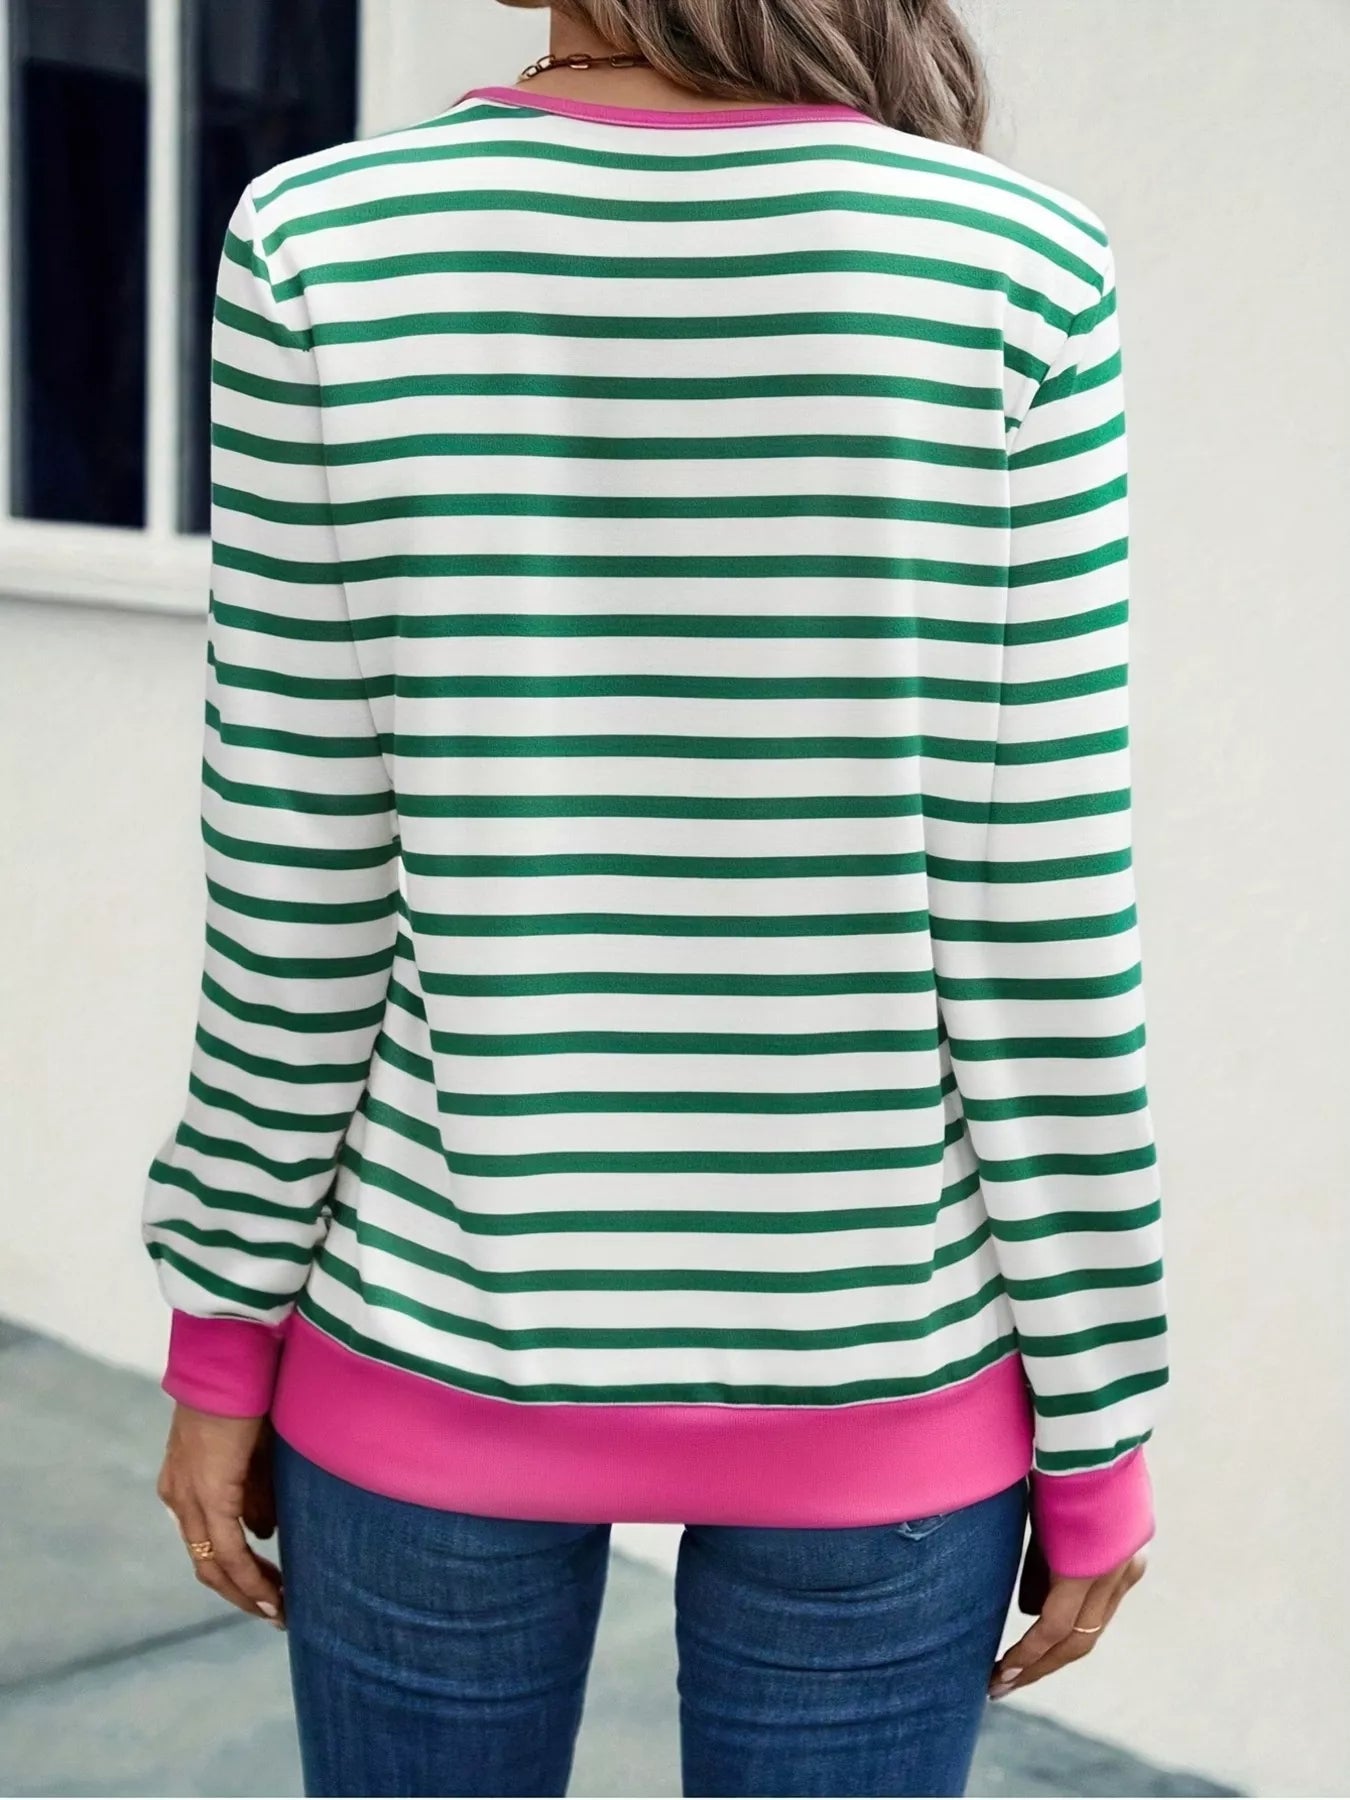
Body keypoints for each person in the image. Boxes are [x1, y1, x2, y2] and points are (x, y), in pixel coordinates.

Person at [143, 2, 1169, 1794]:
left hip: (426, 1327)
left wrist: (225, 1330)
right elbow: (1042, 910)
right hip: (887, 1357)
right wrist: (1098, 1413)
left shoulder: (327, 240)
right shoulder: (1016, 266)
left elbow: (296, 874)